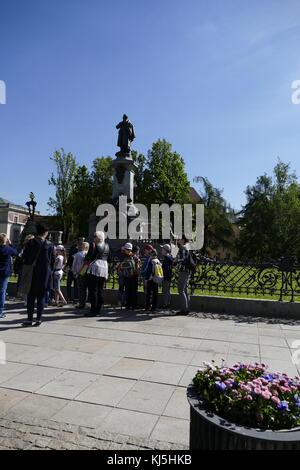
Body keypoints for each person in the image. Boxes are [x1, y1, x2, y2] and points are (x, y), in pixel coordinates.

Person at [22, 224, 55, 327]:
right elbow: (52, 260)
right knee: (41, 297)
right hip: (45, 274)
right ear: (45, 233)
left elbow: (25, 257)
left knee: (31, 296)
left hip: (32, 273)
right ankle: (39, 318)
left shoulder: (30, 242)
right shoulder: (50, 244)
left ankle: (29, 319)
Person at [85, 231, 109, 316]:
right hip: (104, 268)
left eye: (95, 236)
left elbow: (89, 256)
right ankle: (98, 310)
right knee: (99, 290)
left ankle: (93, 310)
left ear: (98, 237)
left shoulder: (93, 245)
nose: (93, 238)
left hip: (95, 267)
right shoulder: (107, 245)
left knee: (93, 290)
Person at [0, 233, 18, 319]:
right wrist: (10, 244)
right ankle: (0, 310)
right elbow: (16, 253)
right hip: (4, 273)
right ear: (6, 240)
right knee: (2, 292)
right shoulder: (8, 249)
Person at [118, 243, 140, 311]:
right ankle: (133, 305)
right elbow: (138, 266)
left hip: (127, 276)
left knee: (127, 290)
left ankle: (127, 305)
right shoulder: (135, 256)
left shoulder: (124, 256)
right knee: (133, 291)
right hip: (134, 276)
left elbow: (120, 267)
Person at [15, 234, 35, 306]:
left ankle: (26, 299)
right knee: (25, 283)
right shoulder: (24, 247)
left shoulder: (28, 247)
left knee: (27, 284)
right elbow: (19, 257)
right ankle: (26, 299)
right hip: (24, 267)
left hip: (28, 267)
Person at [174, 235, 191, 315]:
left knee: (181, 290)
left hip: (184, 271)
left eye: (179, 238)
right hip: (186, 271)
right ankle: (186, 308)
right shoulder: (186, 247)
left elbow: (184, 259)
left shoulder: (183, 248)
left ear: (183, 240)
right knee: (185, 290)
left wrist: (176, 260)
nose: (177, 240)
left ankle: (184, 310)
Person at [72, 241, 89, 309]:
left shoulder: (78, 254)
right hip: (87, 273)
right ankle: (85, 302)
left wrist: (74, 272)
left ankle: (81, 303)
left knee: (81, 289)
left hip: (80, 273)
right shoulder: (88, 254)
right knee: (86, 289)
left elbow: (74, 264)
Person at [160, 243, 173, 309]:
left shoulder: (166, 258)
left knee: (165, 291)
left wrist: (162, 275)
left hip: (166, 277)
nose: (161, 250)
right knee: (167, 290)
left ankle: (165, 304)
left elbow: (166, 269)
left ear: (165, 250)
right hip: (168, 276)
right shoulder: (169, 256)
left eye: (162, 249)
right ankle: (167, 303)